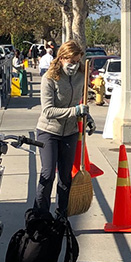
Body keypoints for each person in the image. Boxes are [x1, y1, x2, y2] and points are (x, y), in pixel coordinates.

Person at [34, 40, 88, 217]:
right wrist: (75, 111)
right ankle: (40, 215)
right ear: (62, 58)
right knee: (48, 174)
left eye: (77, 61)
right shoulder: (49, 78)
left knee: (65, 177)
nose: (73, 66)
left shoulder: (81, 76)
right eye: (70, 61)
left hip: (70, 132)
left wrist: (87, 117)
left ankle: (61, 215)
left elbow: (79, 103)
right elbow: (48, 111)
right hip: (48, 132)